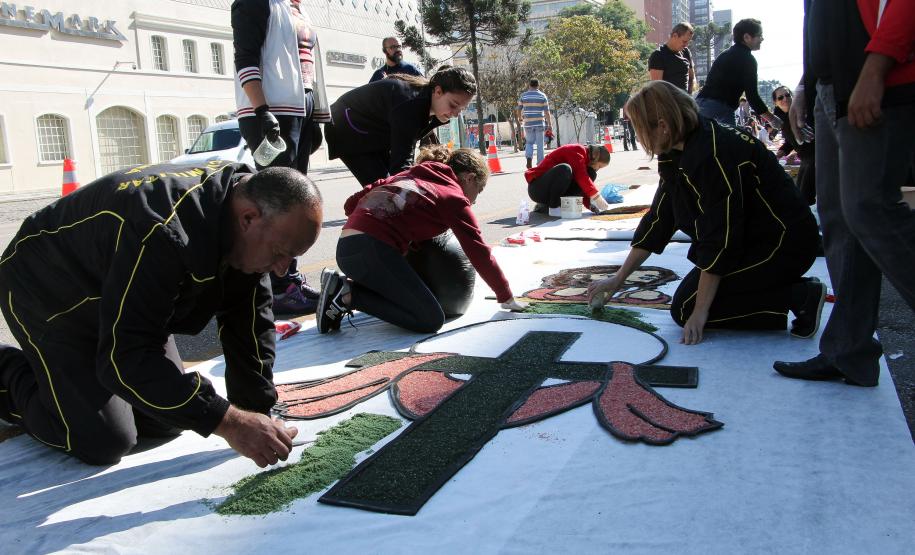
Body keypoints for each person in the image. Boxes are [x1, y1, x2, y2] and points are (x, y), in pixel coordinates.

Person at [0, 162, 323, 466]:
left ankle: (72, 381)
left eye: (292, 258)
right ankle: (7, 371)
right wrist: (231, 423)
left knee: (167, 418)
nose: (282, 270)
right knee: (103, 439)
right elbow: (125, 358)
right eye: (280, 254)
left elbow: (249, 323)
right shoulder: (162, 230)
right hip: (49, 289)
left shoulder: (249, 219)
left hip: (117, 289)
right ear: (248, 218)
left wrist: (256, 411)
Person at [588, 81, 824, 345]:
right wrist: (618, 279)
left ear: (663, 126)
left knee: (688, 308)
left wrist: (701, 312)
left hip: (784, 244)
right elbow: (660, 217)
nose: (639, 137)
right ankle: (787, 295)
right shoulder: (677, 147)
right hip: (751, 238)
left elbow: (720, 235)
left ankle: (798, 296)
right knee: (690, 302)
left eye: (639, 128)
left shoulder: (712, 153)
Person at [773, 0, 915, 387]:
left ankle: (848, 349)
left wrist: (877, 66)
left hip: (876, 75)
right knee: (839, 219)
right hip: (832, 83)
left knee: (870, 208)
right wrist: (808, 82)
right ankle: (848, 351)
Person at [315, 146, 526, 334]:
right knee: (429, 319)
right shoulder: (453, 197)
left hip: (347, 247)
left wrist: (395, 221)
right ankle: (348, 296)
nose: (475, 200)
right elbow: (478, 251)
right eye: (478, 190)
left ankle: (342, 288)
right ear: (469, 178)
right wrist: (505, 295)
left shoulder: (410, 174)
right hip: (372, 252)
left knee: (408, 296)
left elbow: (351, 204)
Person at [232, 0, 331, 315]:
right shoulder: (257, 3)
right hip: (272, 110)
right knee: (279, 204)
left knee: (296, 200)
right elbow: (245, 57)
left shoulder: (297, 8)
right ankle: (276, 287)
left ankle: (287, 280)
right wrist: (262, 110)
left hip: (299, 110)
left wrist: (315, 115)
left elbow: (307, 68)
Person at [324, 67, 476, 186]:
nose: (455, 114)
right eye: (453, 105)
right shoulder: (411, 105)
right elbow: (402, 164)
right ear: (438, 91)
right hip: (347, 128)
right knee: (385, 188)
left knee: (391, 186)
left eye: (461, 109)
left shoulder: (430, 105)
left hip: (372, 131)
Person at [696, 19, 780, 130]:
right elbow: (753, 97)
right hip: (719, 108)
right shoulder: (748, 60)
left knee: (700, 138)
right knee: (729, 139)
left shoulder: (725, 54)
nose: (762, 39)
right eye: (759, 35)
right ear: (746, 37)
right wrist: (773, 119)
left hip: (703, 104)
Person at [525, 143, 612, 216]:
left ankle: (551, 205)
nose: (597, 169)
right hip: (537, 188)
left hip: (550, 189)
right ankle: (554, 207)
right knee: (565, 169)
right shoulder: (578, 150)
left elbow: (582, 186)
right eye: (599, 166)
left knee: (591, 174)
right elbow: (581, 177)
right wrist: (597, 197)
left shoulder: (586, 163)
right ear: (596, 158)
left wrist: (590, 205)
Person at [772, 85, 816, 205]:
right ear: (775, 102)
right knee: (800, 195)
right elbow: (790, 142)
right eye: (780, 97)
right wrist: (780, 153)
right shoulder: (782, 120)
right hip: (805, 160)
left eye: (787, 95)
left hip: (815, 158)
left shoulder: (803, 112)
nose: (785, 99)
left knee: (805, 198)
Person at [648, 22, 697, 93]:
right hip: (668, 99)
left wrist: (689, 96)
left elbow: (691, 78)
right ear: (675, 36)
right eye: (684, 41)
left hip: (685, 98)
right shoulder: (658, 55)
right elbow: (657, 88)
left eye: (688, 42)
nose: (686, 45)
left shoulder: (686, 52)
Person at [516, 79, 553, 169]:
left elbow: (519, 109)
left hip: (528, 123)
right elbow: (547, 112)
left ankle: (529, 158)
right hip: (539, 123)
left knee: (529, 143)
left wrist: (520, 118)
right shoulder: (542, 95)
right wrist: (550, 124)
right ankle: (540, 164)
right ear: (538, 85)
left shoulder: (523, 96)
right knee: (540, 145)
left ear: (529, 85)